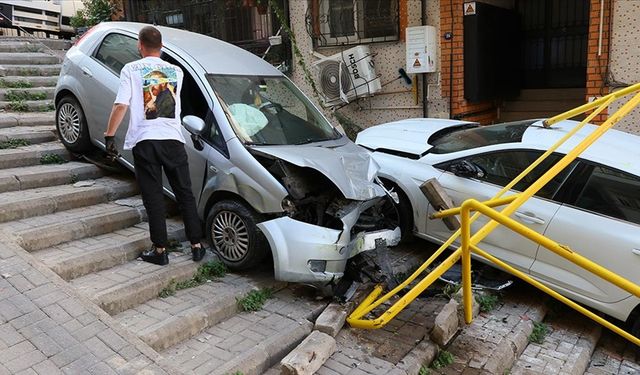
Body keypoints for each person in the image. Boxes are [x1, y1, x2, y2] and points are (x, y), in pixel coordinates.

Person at [104, 25, 205, 265]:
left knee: (153, 197)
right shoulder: (176, 71)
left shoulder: (130, 69)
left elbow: (121, 105)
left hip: (146, 140)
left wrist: (109, 135)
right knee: (185, 193)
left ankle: (160, 251)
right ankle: (197, 245)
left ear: (139, 45)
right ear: (161, 47)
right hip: (173, 139)